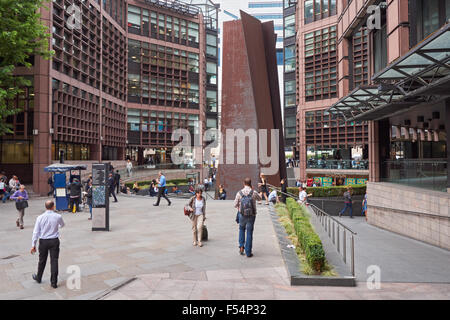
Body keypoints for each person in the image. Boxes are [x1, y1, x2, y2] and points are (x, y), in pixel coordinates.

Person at [31, 200, 65, 289]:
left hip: (43, 241)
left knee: (42, 260)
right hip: (54, 240)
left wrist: (33, 244)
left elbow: (36, 232)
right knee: (54, 261)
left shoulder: (40, 217)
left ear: (45, 207)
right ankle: (54, 282)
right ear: (53, 206)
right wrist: (56, 227)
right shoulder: (58, 216)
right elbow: (62, 225)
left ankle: (39, 277)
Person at [234, 178, 262, 258]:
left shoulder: (239, 193)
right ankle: (248, 252)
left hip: (242, 215)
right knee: (249, 232)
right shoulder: (254, 192)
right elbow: (260, 199)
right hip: (251, 215)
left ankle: (241, 247)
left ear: (244, 183)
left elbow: (235, 204)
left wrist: (240, 208)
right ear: (250, 183)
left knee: (241, 229)